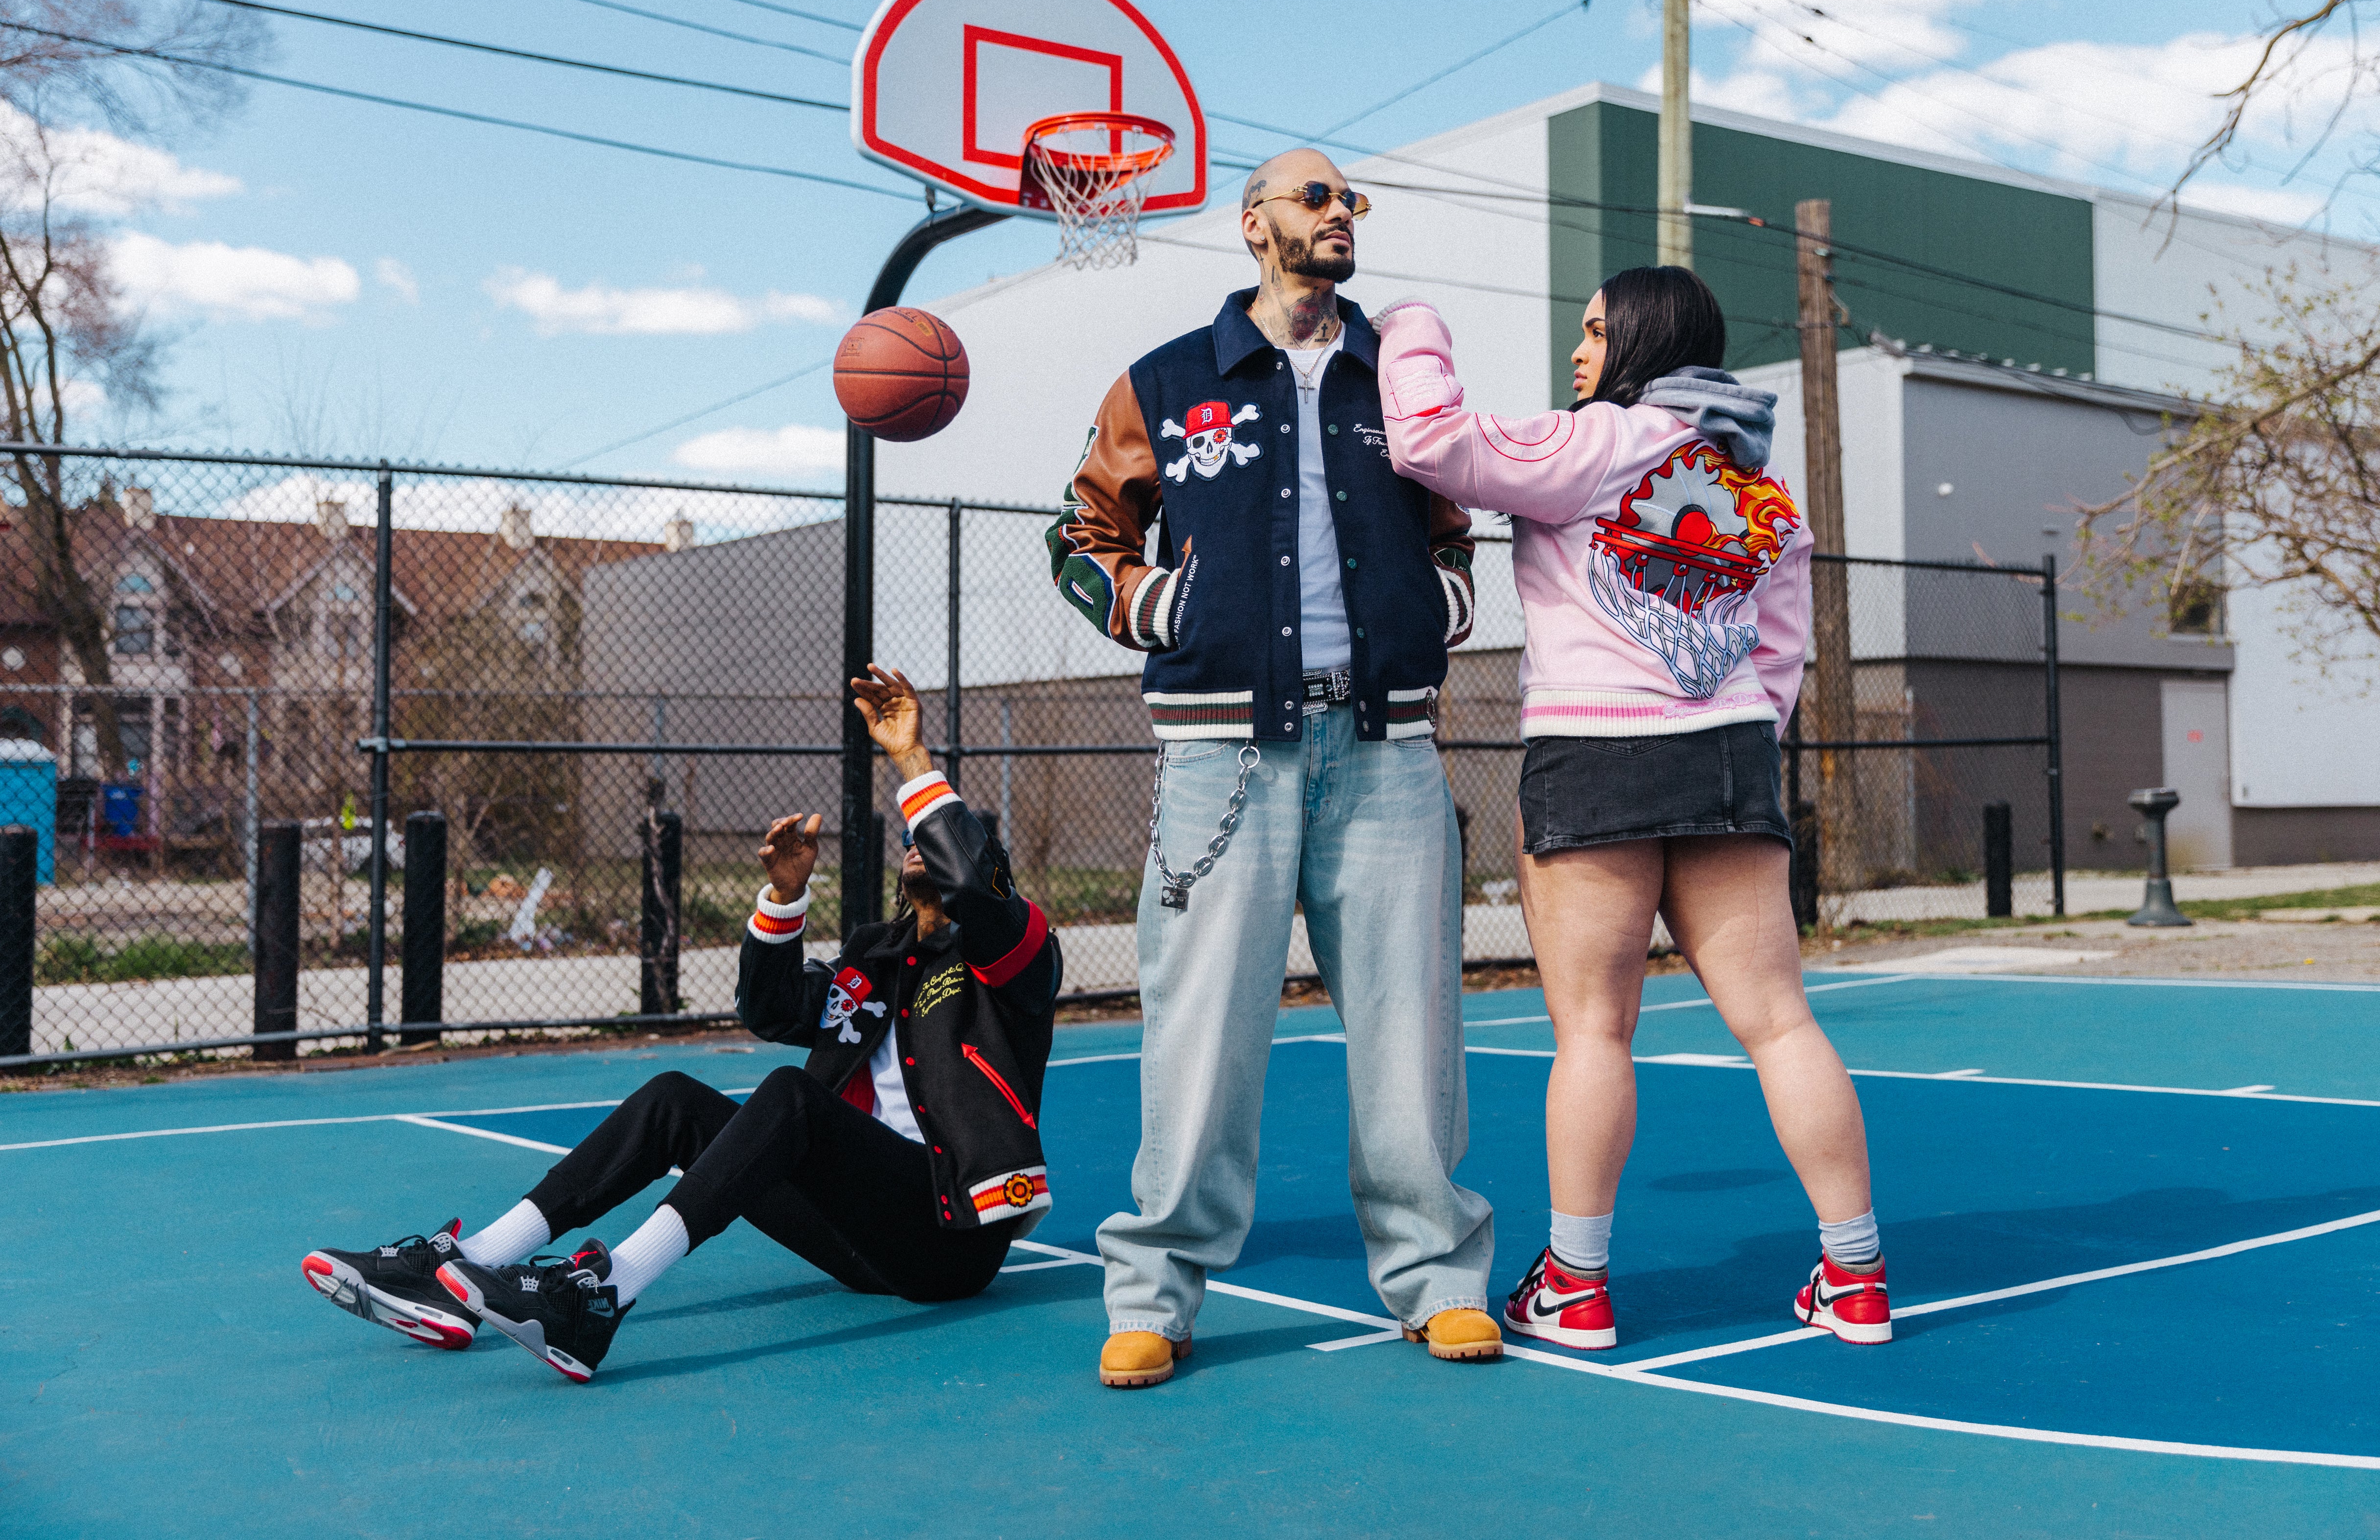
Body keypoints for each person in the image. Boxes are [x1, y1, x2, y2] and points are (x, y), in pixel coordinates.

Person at [1371, 265, 1888, 1351]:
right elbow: (1783, 644)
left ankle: (1577, 1286)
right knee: (1781, 1022)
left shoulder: (1592, 442)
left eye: (1595, 329)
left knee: (1594, 1031)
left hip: (1593, 750)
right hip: (1729, 755)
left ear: (1642, 342)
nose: (1578, 350)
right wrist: (1737, 728)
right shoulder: (1755, 482)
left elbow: (1428, 441)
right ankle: (1855, 1276)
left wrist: (1409, 320)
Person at [1049, 146, 1497, 1388]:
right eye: (1317, 197)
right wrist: (1155, 609)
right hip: (1219, 757)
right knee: (1199, 1040)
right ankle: (1152, 1292)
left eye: (1352, 199)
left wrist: (1437, 604)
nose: (1341, 212)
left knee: (1412, 1032)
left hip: (1386, 752)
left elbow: (1451, 524)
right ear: (1254, 225)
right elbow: (1081, 533)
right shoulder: (1167, 380)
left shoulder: (1400, 381)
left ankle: (1437, 1278)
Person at [299, 665, 1062, 1382]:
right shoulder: (878, 956)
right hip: (862, 1240)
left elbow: (971, 881)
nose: (917, 855)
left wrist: (910, 755)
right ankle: (465, 1265)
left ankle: (603, 1298)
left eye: (933, 844)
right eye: (911, 846)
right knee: (675, 1099)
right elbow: (771, 1010)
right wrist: (784, 899)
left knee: (790, 1100)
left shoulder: (1017, 960)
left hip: (950, 1242)